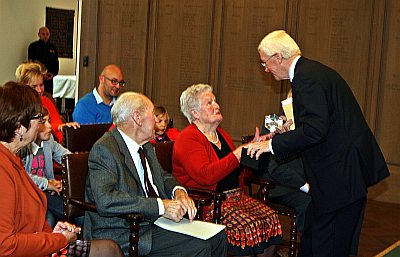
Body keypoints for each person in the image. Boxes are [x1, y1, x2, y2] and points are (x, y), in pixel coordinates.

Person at [246, 30, 390, 257]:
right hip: (344, 176)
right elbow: (322, 124)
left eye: (265, 63)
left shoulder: (305, 79)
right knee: (329, 241)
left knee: (329, 246)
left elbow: (315, 131)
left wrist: (272, 146)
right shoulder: (314, 72)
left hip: (338, 179)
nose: (266, 69)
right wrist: (288, 131)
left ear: (278, 57)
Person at [83, 91, 227, 257]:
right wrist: (161, 206)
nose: (158, 123)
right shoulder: (105, 149)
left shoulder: (146, 146)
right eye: (152, 114)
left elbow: (163, 176)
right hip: (125, 229)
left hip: (152, 222)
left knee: (218, 237)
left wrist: (178, 191)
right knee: (199, 247)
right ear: (137, 118)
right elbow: (106, 199)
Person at [0, 81, 124, 257]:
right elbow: (5, 246)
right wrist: (59, 240)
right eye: (39, 119)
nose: (41, 124)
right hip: (29, 250)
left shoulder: (12, 159)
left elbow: (24, 222)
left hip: (37, 243)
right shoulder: (3, 168)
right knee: (109, 251)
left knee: (110, 248)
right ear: (20, 127)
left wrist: (53, 233)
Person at [173, 84, 282, 257]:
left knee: (271, 219)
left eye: (215, 101)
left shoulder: (221, 134)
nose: (216, 105)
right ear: (194, 113)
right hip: (209, 204)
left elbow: (240, 173)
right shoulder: (188, 138)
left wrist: (254, 151)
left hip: (235, 197)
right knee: (248, 226)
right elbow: (206, 176)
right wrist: (238, 154)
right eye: (209, 103)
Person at [20, 106, 71, 228]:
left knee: (50, 218)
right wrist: (47, 183)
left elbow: (66, 156)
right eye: (43, 122)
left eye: (49, 121)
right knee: (60, 214)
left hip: (47, 193)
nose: (49, 126)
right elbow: (23, 175)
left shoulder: (48, 140)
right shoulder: (23, 146)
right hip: (30, 194)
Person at [16, 60, 80, 143]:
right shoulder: (17, 106)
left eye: (41, 85)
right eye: (34, 86)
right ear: (23, 87)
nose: (39, 90)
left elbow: (59, 128)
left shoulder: (46, 101)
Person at [28, 26, 59, 95]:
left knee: (48, 97)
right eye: (43, 34)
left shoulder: (53, 48)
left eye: (47, 34)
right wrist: (41, 74)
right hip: (36, 79)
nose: (45, 36)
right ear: (39, 34)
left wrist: (52, 74)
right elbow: (31, 63)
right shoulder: (33, 46)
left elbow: (56, 63)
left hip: (49, 80)